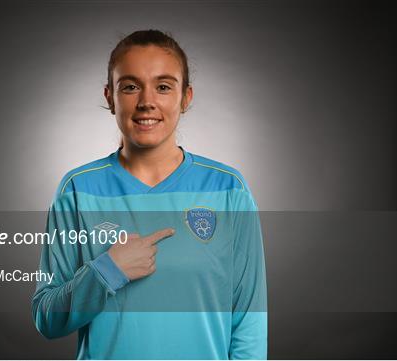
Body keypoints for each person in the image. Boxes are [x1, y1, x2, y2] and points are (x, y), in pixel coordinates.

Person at [31, 29, 267, 360]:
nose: (146, 101)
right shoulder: (78, 189)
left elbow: (249, 320)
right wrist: (106, 271)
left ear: (185, 98)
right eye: (129, 86)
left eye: (163, 86)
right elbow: (46, 318)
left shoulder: (228, 189)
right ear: (110, 96)